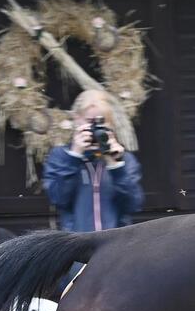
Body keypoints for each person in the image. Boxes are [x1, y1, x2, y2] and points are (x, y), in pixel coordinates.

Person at [43, 89, 144, 233]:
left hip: (115, 243)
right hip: (76, 244)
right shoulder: (61, 156)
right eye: (91, 122)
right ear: (77, 118)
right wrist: (74, 156)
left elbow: (132, 205)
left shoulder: (124, 159)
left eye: (102, 122)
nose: (96, 129)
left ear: (111, 123)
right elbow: (58, 199)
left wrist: (116, 166)